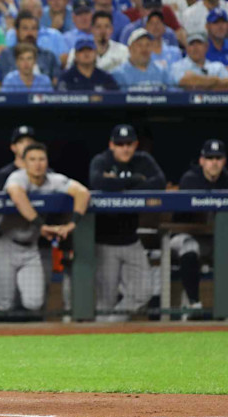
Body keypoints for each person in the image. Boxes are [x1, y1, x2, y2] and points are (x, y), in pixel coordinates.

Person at [0, 142, 90, 312]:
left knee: (34, 302)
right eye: (32, 159)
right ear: (24, 162)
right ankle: (7, 334)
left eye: (41, 159)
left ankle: (24, 330)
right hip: (4, 244)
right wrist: (41, 226)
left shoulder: (53, 180)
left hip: (30, 249)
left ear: (47, 161)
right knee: (5, 303)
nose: (37, 164)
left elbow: (83, 192)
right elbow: (17, 195)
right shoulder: (17, 177)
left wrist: (72, 223)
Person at [89, 124, 166, 319]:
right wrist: (136, 180)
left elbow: (159, 182)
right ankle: (101, 338)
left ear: (136, 144)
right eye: (120, 144)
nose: (125, 148)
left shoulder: (143, 159)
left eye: (129, 144)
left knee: (143, 292)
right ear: (111, 145)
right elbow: (98, 182)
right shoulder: (101, 160)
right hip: (104, 242)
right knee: (105, 300)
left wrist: (118, 183)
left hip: (132, 240)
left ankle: (112, 325)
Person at [170, 139, 228, 311]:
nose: (214, 163)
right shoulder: (191, 179)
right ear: (202, 160)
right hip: (185, 235)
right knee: (190, 247)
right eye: (210, 158)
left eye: (218, 158)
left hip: (214, 239)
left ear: (224, 161)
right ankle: (194, 304)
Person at [0, 11, 61, 82]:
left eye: (33, 28)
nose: (30, 33)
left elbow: (56, 84)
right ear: (17, 31)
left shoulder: (49, 56)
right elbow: (0, 83)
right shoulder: (6, 55)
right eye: (25, 28)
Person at [112, 27, 176, 90]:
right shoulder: (119, 74)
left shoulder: (161, 72)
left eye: (148, 45)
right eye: (140, 45)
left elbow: (173, 96)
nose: (144, 49)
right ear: (130, 48)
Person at [64, 10, 130, 72]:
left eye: (107, 27)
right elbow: (69, 74)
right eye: (98, 27)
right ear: (92, 29)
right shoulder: (77, 51)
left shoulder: (123, 51)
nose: (103, 31)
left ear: (111, 29)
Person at [0, 125, 36, 190]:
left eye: (29, 141)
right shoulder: (4, 174)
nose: (26, 145)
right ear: (13, 147)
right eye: (21, 142)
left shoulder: (45, 172)